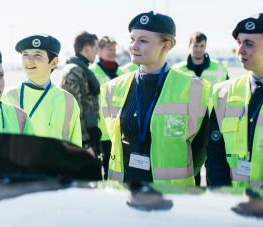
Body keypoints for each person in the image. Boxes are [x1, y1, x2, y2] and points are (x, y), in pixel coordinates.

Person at [100, 11, 210, 185]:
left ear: (165, 46)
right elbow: (111, 144)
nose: (133, 46)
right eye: (132, 39)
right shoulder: (113, 88)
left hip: (170, 195)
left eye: (143, 41)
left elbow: (200, 148)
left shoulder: (193, 89)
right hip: (124, 191)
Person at [206, 13, 263, 191]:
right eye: (239, 43)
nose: (240, 50)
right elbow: (214, 154)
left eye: (249, 44)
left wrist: (260, 200)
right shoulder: (222, 93)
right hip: (232, 206)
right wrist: (224, 195)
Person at [3, 34, 82, 147]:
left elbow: (76, 145)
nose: (29, 60)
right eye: (25, 54)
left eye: (37, 55)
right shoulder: (9, 96)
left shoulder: (68, 100)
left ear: (53, 62)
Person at [173, 31, 229, 186]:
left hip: (213, 121)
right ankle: (193, 196)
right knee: (191, 164)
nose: (198, 49)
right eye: (195, 45)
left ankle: (213, 198)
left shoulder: (220, 68)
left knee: (213, 163)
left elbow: (227, 95)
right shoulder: (178, 70)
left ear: (206, 46)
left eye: (201, 46)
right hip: (188, 123)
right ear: (189, 46)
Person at [61, 31, 102, 164]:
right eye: (96, 48)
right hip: (83, 137)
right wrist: (85, 143)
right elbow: (73, 110)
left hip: (90, 132)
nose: (97, 52)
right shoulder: (74, 71)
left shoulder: (83, 69)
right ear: (87, 48)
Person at [90, 36, 123, 178]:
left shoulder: (122, 73)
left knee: (119, 171)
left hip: (120, 130)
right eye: (109, 49)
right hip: (101, 131)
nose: (113, 52)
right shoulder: (91, 72)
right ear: (99, 50)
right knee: (103, 171)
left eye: (114, 49)